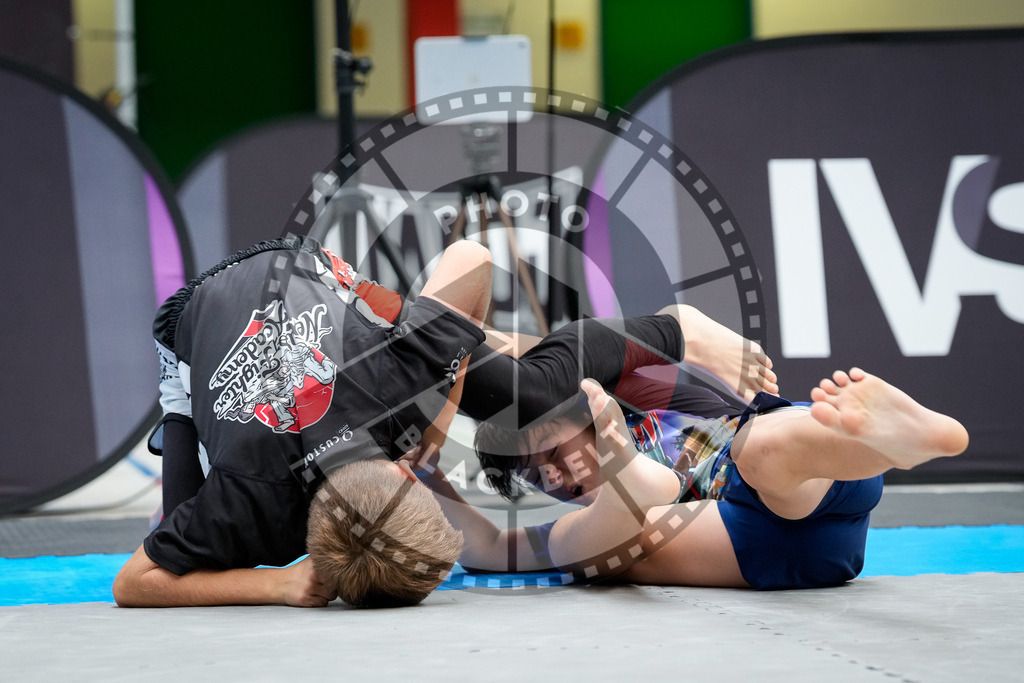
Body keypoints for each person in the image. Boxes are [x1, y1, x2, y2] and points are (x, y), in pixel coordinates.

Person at [418, 305, 969, 589]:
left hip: (808, 471)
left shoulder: (639, 391)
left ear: (589, 409)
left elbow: (546, 353)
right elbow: (486, 549)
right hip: (755, 544)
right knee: (612, 551)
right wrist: (423, 469)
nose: (557, 480)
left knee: (761, 450)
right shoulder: (585, 527)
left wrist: (686, 327)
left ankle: (889, 441)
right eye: (540, 481)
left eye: (555, 456)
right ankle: (631, 489)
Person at [114, 234, 492, 608]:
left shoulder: (400, 393)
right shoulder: (243, 504)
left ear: (407, 475)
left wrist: (435, 425)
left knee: (469, 358)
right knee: (199, 562)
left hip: (283, 275)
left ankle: (447, 348)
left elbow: (472, 254)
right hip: (196, 312)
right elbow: (132, 585)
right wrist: (276, 585)